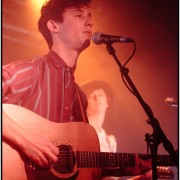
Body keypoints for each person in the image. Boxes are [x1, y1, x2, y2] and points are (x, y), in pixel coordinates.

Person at [2, 0, 151, 179]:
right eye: (79, 15)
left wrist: (140, 175)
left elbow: (86, 168)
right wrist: (27, 142)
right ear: (53, 26)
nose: (89, 22)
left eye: (89, 17)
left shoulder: (80, 99)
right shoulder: (31, 72)